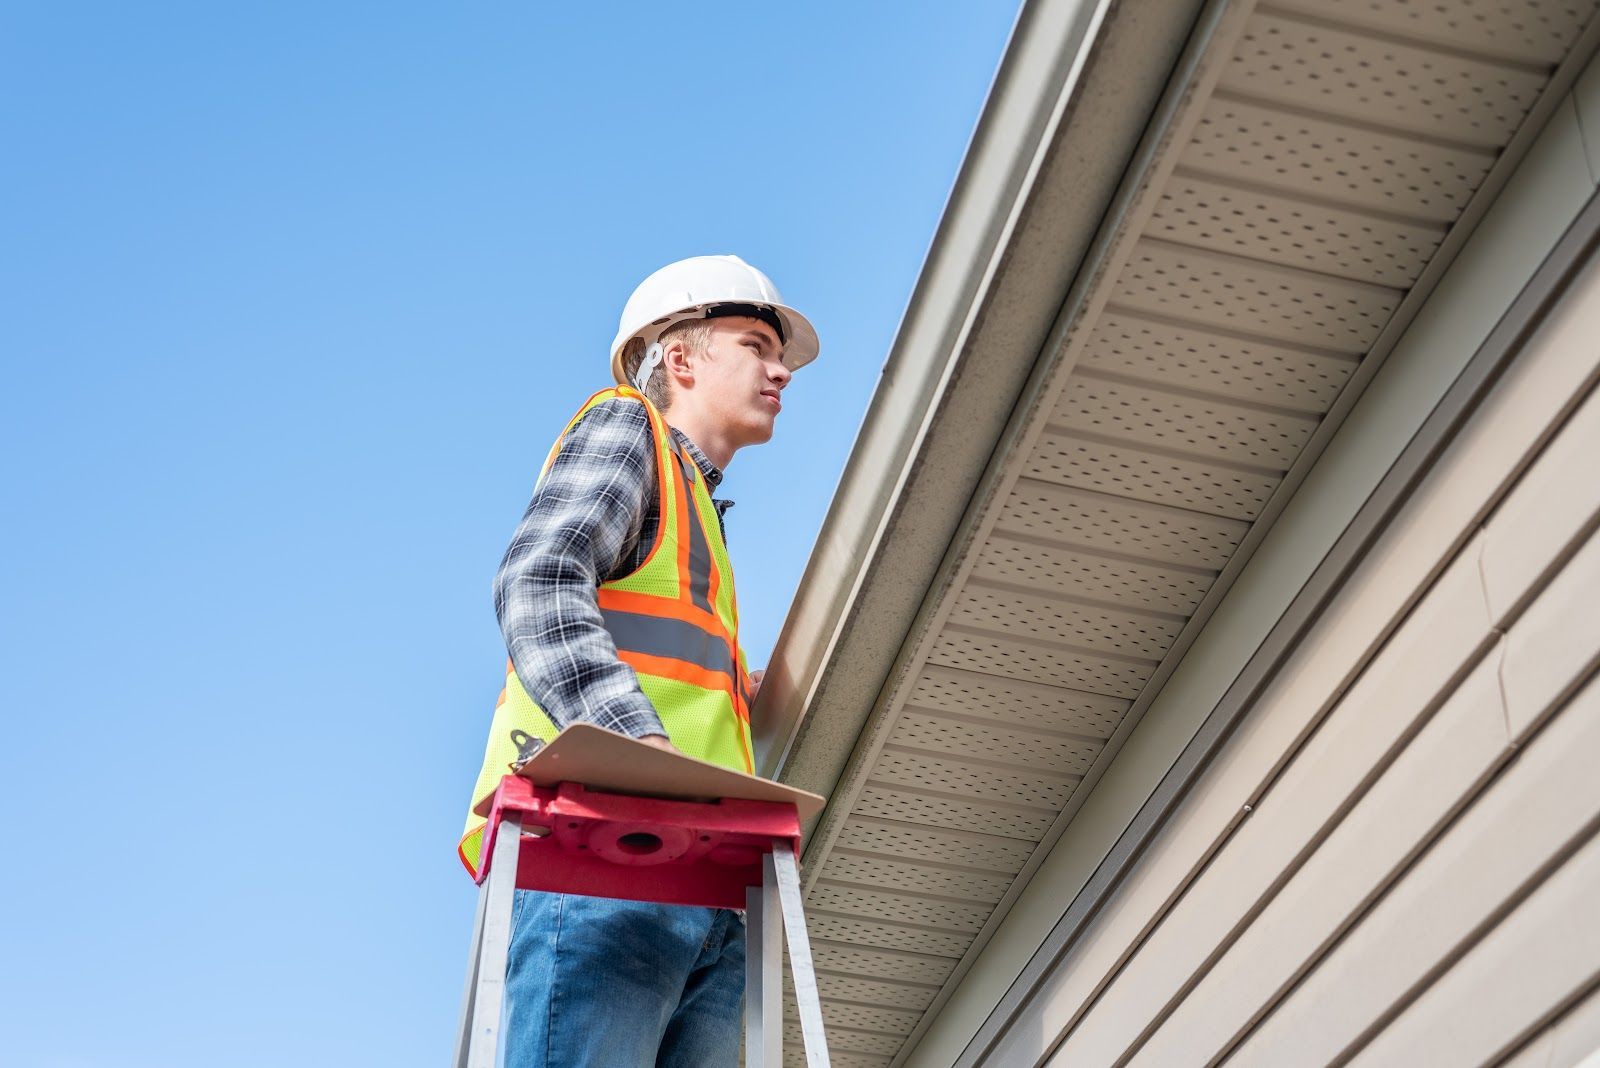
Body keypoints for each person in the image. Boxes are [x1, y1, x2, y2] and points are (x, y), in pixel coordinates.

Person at [458, 255, 819, 1067]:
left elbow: (671, 663)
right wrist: (637, 752)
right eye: (758, 343)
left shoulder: (704, 524)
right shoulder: (629, 429)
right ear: (680, 358)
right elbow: (540, 582)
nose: (780, 369)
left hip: (704, 882)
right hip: (603, 855)